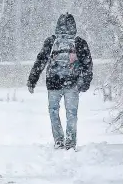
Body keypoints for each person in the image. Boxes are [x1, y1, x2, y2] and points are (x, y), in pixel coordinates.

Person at [27, 13, 93, 150]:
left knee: (53, 112)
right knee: (72, 114)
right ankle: (70, 142)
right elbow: (87, 64)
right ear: (74, 26)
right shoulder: (79, 42)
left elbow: (41, 61)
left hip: (53, 83)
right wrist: (85, 82)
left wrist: (32, 79)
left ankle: (58, 140)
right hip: (72, 83)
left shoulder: (51, 41)